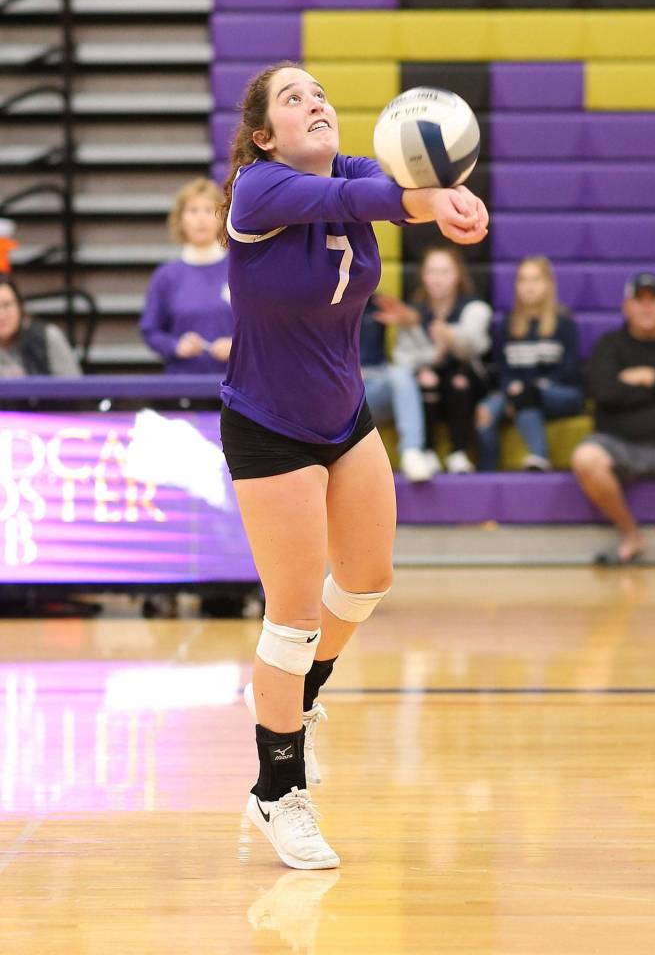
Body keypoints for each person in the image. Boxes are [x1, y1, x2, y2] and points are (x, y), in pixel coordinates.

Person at [217, 61, 488, 870]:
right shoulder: (256, 191)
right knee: (292, 617)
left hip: (343, 415)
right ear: (264, 133)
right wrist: (424, 201)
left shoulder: (360, 169)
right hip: (268, 425)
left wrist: (444, 201)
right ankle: (277, 792)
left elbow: (381, 193)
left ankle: (291, 700)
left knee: (367, 579)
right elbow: (347, 204)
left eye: (320, 93)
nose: (316, 103)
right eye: (293, 99)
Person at [572, 273, 655, 565]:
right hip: (616, 442)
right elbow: (604, 393)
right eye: (639, 300)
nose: (646, 307)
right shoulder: (608, 345)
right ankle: (631, 535)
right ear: (626, 307)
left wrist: (648, 377)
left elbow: (617, 391)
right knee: (586, 457)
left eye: (653, 300)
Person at [387, 244, 491, 473]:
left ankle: (459, 452)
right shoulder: (412, 314)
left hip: (466, 380)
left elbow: (476, 347)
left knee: (458, 380)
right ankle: (428, 450)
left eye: (444, 272)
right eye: (432, 272)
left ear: (457, 276)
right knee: (426, 378)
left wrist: (451, 336)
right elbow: (403, 358)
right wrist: (432, 354)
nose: (437, 279)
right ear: (423, 276)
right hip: (430, 381)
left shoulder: (474, 307)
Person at [476, 255, 584, 471]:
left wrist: (534, 387)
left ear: (548, 284)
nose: (528, 286)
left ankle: (539, 455)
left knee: (527, 396)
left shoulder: (564, 323)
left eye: (535, 280)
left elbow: (570, 372)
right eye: (523, 280)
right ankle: (487, 470)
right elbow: (502, 371)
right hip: (517, 394)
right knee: (486, 412)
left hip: (558, 394)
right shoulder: (507, 325)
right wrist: (512, 390)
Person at [140, 178, 233, 374]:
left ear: (222, 217)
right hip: (183, 387)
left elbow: (264, 327)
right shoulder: (166, 276)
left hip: (237, 385)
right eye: (193, 211)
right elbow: (150, 330)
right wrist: (175, 346)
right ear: (180, 219)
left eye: (209, 210)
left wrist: (238, 346)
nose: (201, 218)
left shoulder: (239, 270)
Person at [360, 295, 439, 482]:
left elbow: (428, 351)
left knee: (401, 374)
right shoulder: (321, 301)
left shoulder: (377, 302)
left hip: (377, 382)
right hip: (341, 387)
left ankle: (411, 450)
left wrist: (409, 322)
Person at [0, 275, 81, 377]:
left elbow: (74, 387)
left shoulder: (47, 337)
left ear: (20, 306)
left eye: (7, 305)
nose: (1, 314)